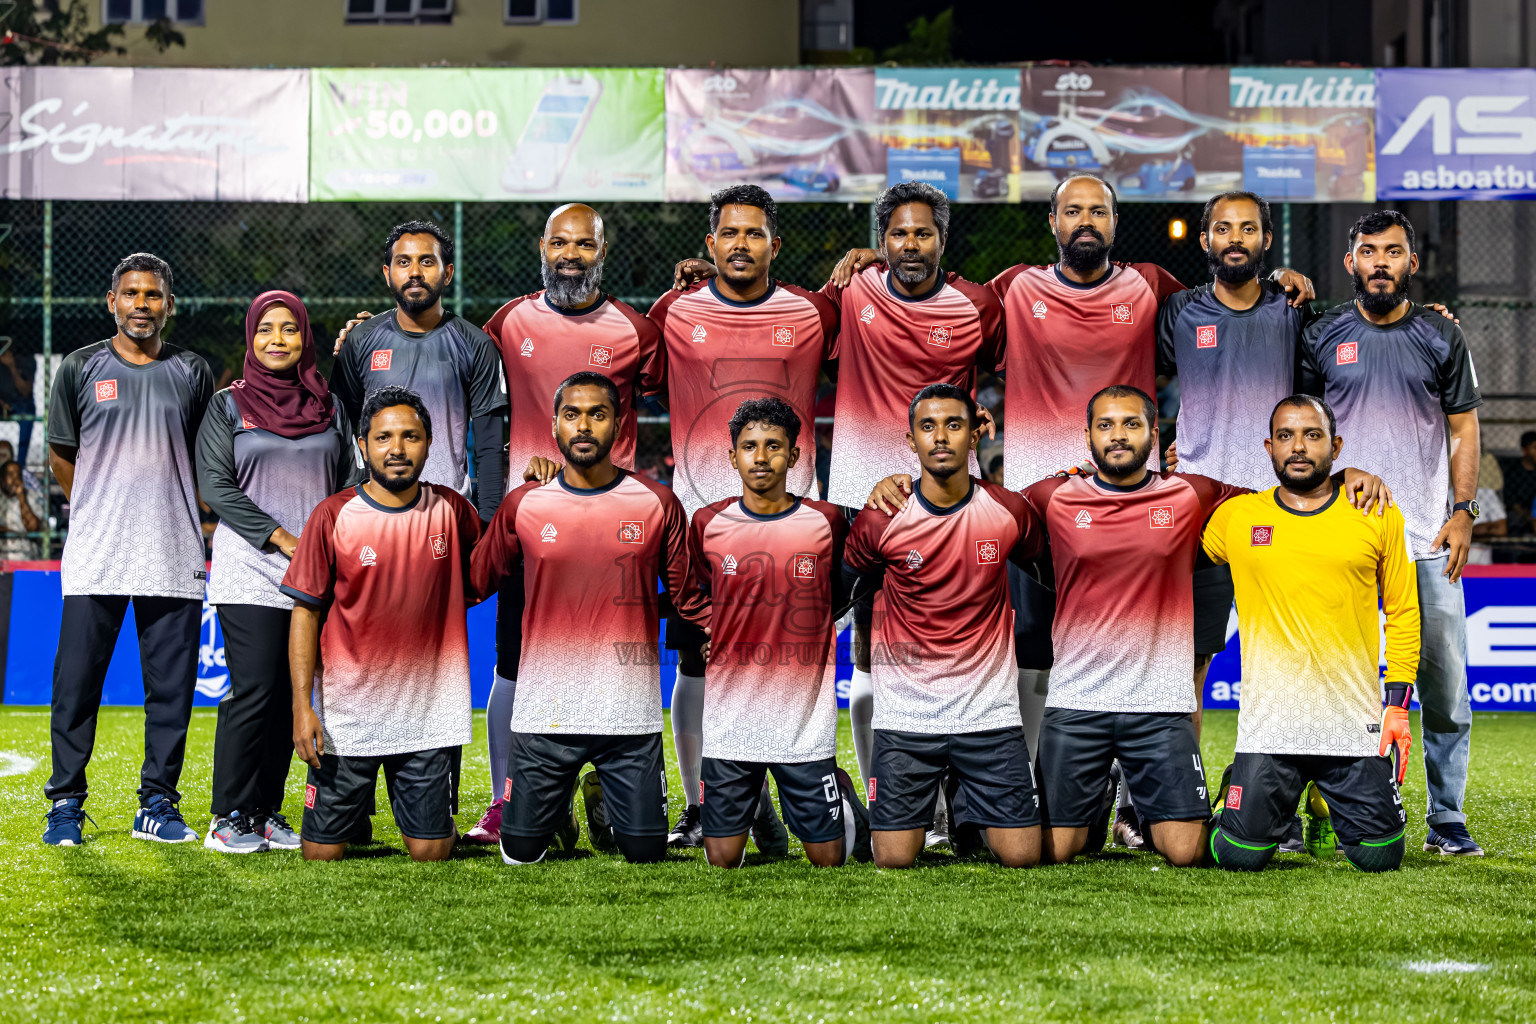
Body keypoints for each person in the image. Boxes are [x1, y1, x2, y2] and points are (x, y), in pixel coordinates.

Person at [866, 386, 1390, 868]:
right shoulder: (1051, 497)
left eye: (1132, 424)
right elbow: (972, 501)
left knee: (1186, 852)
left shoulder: (1195, 495)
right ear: (1088, 436)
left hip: (1160, 705)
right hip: (1076, 703)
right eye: (1106, 425)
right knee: (1052, 851)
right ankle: (1090, 810)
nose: (1118, 435)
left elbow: (1286, 492)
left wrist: (1344, 477)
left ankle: (1209, 790)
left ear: (1153, 434)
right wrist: (902, 485)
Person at [464, 203, 665, 845]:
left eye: (584, 244)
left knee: (617, 667)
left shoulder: (637, 329)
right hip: (536, 531)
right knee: (513, 668)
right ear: (542, 247)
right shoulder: (507, 323)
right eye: (560, 243)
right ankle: (507, 799)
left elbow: (686, 384)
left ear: (602, 252)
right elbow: (452, 367)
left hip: (619, 536)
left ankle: (607, 788)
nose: (571, 255)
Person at [649, 185, 838, 849]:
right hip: (703, 527)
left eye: (754, 234)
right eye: (728, 233)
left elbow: (884, 337)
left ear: (774, 245)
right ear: (709, 244)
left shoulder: (814, 313)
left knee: (784, 660)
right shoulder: (675, 311)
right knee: (699, 664)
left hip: (795, 529)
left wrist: (867, 256)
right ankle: (709, 805)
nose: (740, 244)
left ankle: (788, 789)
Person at [1299, 209, 1485, 856]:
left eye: (1394, 251)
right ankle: (1314, 813)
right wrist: (1343, 467)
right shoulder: (1321, 335)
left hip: (1428, 543)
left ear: (1412, 263)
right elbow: (1304, 430)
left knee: (1445, 695)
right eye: (1369, 251)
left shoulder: (1441, 335)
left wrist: (1464, 509)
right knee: (1324, 686)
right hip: (1342, 544)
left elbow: (1463, 427)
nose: (1381, 261)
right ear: (1350, 262)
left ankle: (1449, 824)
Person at [471, 372, 709, 866]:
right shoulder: (525, 504)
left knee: (644, 853)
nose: (584, 425)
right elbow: (474, 582)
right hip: (544, 716)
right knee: (519, 855)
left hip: (628, 717)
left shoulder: (657, 502)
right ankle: (557, 813)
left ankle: (599, 789)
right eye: (572, 414)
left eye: (597, 414)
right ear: (554, 426)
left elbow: (690, 600)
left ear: (618, 425)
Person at [42, 252, 215, 847]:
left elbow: (202, 458)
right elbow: (63, 456)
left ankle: (158, 803)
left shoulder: (193, 371)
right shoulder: (80, 367)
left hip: (171, 550)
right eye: (131, 294)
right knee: (76, 688)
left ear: (170, 304)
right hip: (97, 553)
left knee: (169, 693)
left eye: (153, 295)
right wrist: (99, 504)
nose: (142, 305)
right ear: (111, 301)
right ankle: (65, 803)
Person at [1206, 396, 1418, 873]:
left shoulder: (1378, 513)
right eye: (1285, 436)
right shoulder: (1239, 518)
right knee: (1240, 856)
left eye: (1312, 435)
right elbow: (1171, 534)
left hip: (1351, 725)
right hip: (1271, 727)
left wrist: (1398, 703)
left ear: (1336, 446)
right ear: (1268, 447)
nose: (1297, 447)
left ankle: (1322, 803)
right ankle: (1237, 785)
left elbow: (1403, 610)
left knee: (1379, 856)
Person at [843, 384, 1044, 870]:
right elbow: (838, 597)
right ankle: (854, 802)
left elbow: (1061, 579)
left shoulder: (1009, 512)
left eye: (953, 425)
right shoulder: (881, 518)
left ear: (975, 434)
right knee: (893, 859)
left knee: (1021, 857)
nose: (940, 437)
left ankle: (966, 805)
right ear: (910, 441)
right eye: (927, 427)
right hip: (907, 717)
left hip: (988, 715)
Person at [282, 386, 483, 862]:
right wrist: (301, 707)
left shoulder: (453, 510)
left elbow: (489, 568)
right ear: (362, 445)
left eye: (410, 436)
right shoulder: (333, 515)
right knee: (321, 855)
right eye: (384, 438)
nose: (397, 449)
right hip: (348, 716)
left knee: (431, 852)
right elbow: (305, 612)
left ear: (429, 443)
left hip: (427, 716)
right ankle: (355, 814)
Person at [196, 291, 361, 854]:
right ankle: (227, 816)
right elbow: (216, 486)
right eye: (266, 329)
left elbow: (344, 488)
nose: (277, 339)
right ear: (250, 337)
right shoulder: (227, 406)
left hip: (314, 572)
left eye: (289, 329)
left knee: (297, 692)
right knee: (257, 690)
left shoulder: (330, 406)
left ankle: (265, 812)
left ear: (304, 338)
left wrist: (330, 549)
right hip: (251, 566)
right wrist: (286, 538)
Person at [689, 396, 869, 868]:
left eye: (774, 446)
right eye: (749, 446)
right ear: (733, 457)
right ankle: (758, 807)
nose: (761, 456)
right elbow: (694, 593)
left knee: (829, 861)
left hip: (802, 718)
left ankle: (842, 792)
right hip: (731, 718)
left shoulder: (826, 520)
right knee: (722, 860)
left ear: (793, 456)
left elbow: (839, 592)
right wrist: (715, 627)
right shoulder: (707, 523)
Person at [329, 220, 507, 522]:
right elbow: (342, 436)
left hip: (446, 515)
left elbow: (490, 449)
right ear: (388, 275)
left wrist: (488, 526)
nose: (414, 272)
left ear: (447, 272)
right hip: (371, 516)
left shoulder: (476, 345)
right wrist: (344, 508)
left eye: (426, 261)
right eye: (403, 262)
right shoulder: (359, 341)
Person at [0, 459, 42, 560]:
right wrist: (17, 533)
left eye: (18, 474)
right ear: (2, 478)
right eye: (10, 474)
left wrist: (21, 497)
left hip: (26, 556)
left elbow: (33, 528)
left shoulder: (31, 496)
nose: (15, 479)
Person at [1501, 430, 1536, 536]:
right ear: (1524, 450)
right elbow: (1510, 500)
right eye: (1535, 448)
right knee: (1514, 520)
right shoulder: (1513, 470)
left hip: (1534, 511)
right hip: (1518, 512)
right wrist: (1526, 515)